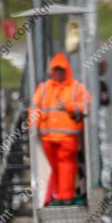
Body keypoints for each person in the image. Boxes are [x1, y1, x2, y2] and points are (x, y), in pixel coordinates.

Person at [30, 53, 91, 205]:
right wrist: (32, 124)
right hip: (48, 137)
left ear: (67, 70)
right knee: (55, 166)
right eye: (55, 70)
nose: (58, 73)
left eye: (61, 70)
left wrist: (68, 106)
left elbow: (86, 107)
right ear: (51, 70)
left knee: (66, 165)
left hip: (68, 137)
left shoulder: (77, 87)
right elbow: (35, 108)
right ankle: (58, 195)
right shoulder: (44, 88)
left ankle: (66, 196)